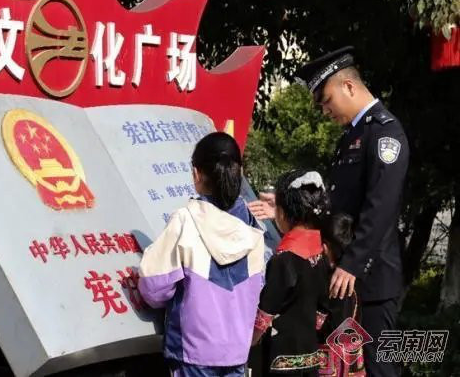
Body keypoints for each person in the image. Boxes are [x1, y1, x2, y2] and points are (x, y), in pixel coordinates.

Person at [250, 46, 408, 376]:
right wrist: (289, 207)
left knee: (378, 367)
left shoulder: (384, 134)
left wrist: (352, 264)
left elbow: (380, 206)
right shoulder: (352, 137)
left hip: (370, 278)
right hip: (341, 278)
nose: (325, 111)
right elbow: (338, 206)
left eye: (326, 100)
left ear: (348, 86)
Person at [138, 132, 265, 377]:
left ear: (196, 174)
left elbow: (154, 289)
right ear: (238, 172)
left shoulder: (186, 220)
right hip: (237, 353)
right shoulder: (254, 228)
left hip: (193, 354)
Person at [251, 170, 330, 376]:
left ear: (283, 212)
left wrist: (251, 340)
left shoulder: (284, 259)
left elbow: (266, 312)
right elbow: (322, 309)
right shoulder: (322, 254)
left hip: (282, 359)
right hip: (311, 355)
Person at [318, 213, 366, 376]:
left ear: (324, 247)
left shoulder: (335, 284)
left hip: (332, 364)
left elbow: (325, 325)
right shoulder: (355, 279)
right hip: (352, 361)